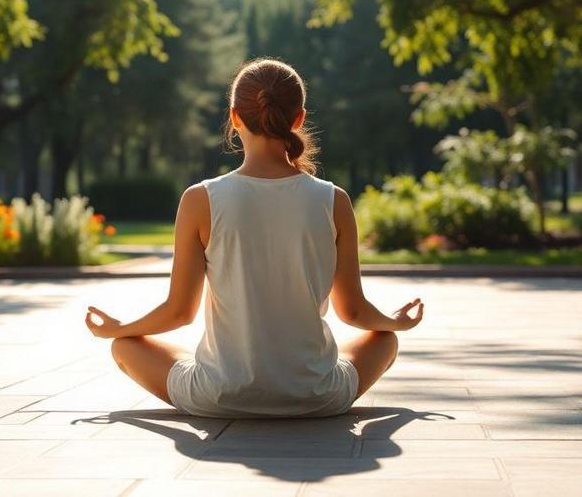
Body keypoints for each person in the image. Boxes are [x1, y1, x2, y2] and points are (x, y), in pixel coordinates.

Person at [84, 57, 424, 418]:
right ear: (299, 118)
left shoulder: (200, 199)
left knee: (124, 346)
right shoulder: (333, 200)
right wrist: (394, 321)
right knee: (385, 340)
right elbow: (353, 312)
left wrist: (119, 328)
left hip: (219, 396)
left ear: (234, 118)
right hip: (316, 397)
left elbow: (179, 312)